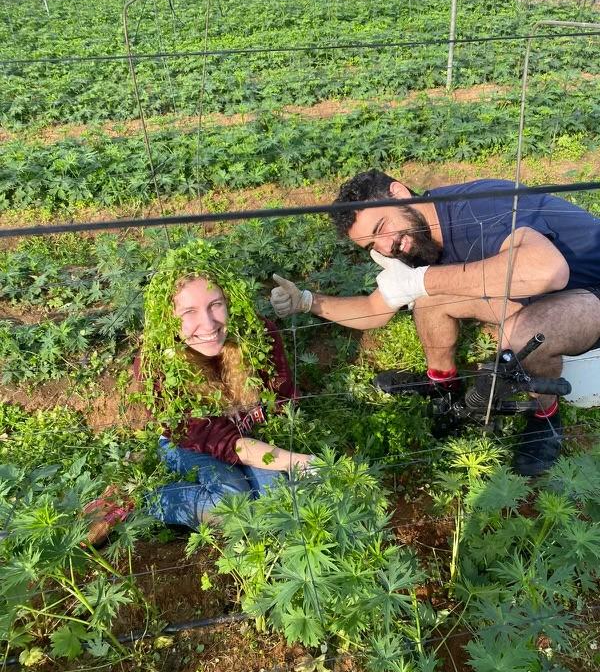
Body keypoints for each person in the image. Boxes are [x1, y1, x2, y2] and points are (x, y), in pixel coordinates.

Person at [270, 170, 600, 477]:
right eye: (373, 245)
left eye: (381, 227)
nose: (387, 247)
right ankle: (444, 388)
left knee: (525, 334)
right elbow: (375, 309)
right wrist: (308, 301)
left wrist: (425, 279)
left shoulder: (477, 209)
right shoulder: (419, 239)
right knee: (430, 296)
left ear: (398, 193)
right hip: (541, 292)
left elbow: (549, 271)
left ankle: (545, 418)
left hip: (589, 289)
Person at [85, 240, 313, 543]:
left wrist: (283, 456)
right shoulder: (156, 365)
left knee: (277, 500)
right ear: (168, 316)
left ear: (230, 302)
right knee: (232, 506)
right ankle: (143, 497)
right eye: (189, 311)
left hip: (252, 439)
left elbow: (282, 398)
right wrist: (296, 461)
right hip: (188, 445)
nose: (207, 323)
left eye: (215, 305)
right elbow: (219, 442)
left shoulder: (259, 336)